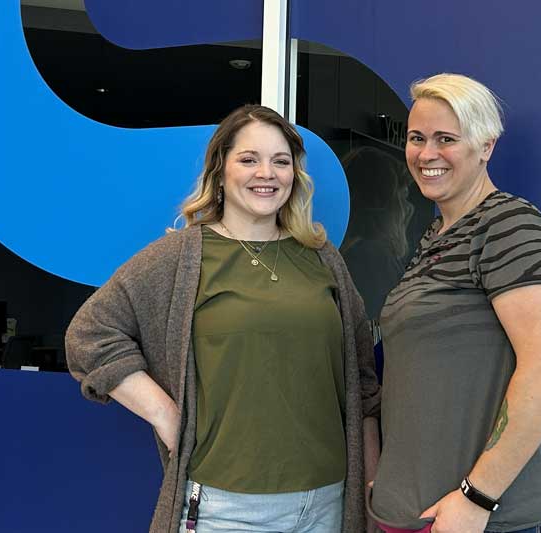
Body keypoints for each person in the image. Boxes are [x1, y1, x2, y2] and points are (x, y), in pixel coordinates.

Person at [65, 104, 381, 533]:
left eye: (281, 161)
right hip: (225, 509)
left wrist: (370, 485)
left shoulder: (322, 257)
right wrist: (165, 414)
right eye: (249, 159)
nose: (266, 173)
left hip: (327, 503)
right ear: (220, 170)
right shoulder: (182, 256)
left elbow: (362, 382)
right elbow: (89, 334)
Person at [368, 73, 541, 533]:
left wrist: (476, 498)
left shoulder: (510, 227)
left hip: (490, 522)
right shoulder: (436, 236)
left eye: (446, 139)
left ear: (486, 147)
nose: (427, 154)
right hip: (415, 514)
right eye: (417, 138)